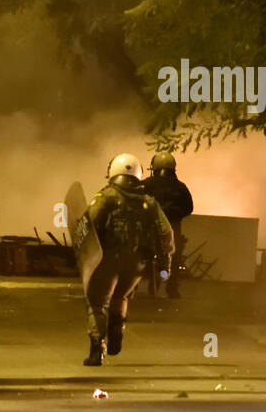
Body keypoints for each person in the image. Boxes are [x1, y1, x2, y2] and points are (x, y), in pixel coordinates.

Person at [82, 153, 175, 366]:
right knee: (121, 296)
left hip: (108, 260)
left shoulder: (105, 197)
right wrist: (165, 263)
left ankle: (97, 350)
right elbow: (166, 233)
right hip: (137, 263)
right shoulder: (149, 202)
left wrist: (83, 254)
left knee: (98, 302)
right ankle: (117, 329)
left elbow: (89, 225)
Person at [141, 151, 193, 297]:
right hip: (173, 230)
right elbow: (189, 208)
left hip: (149, 229)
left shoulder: (146, 185)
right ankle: (172, 287)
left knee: (138, 254)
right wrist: (176, 215)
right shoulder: (180, 187)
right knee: (174, 258)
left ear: (155, 167)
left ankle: (135, 286)